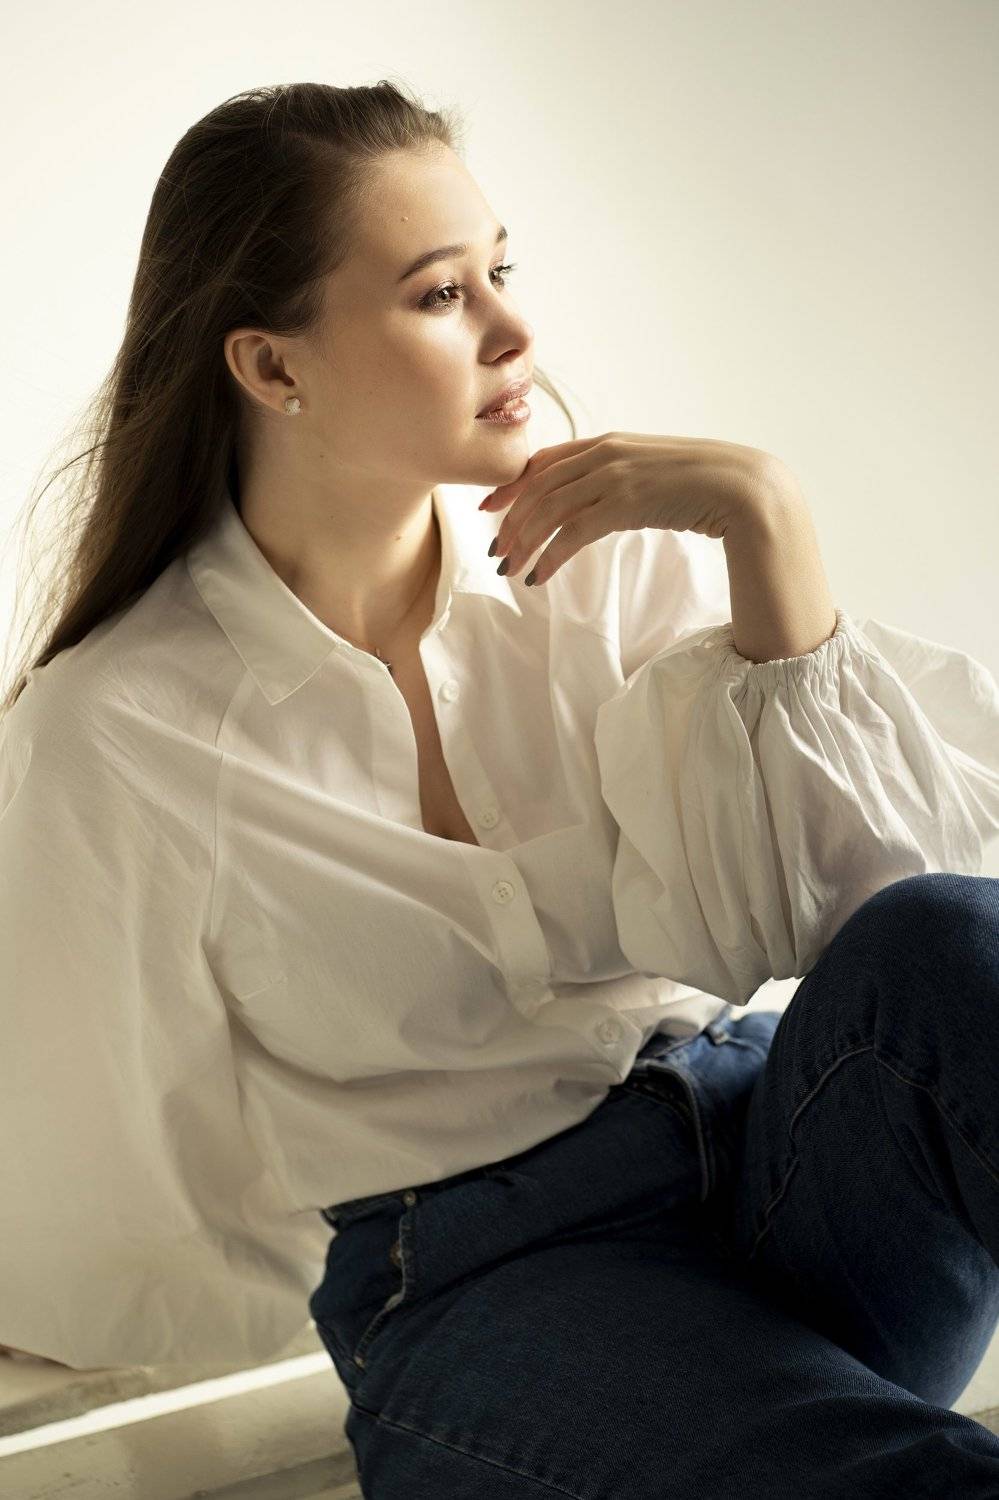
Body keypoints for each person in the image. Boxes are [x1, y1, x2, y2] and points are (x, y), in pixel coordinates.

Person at [3, 81, 999, 1494]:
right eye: (440, 293)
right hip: (489, 1281)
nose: (515, 329)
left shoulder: (604, 561)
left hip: (777, 1156)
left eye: (503, 270)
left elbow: (863, 918)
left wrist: (767, 521)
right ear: (272, 367)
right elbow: (96, 1139)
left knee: (950, 937)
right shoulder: (118, 729)